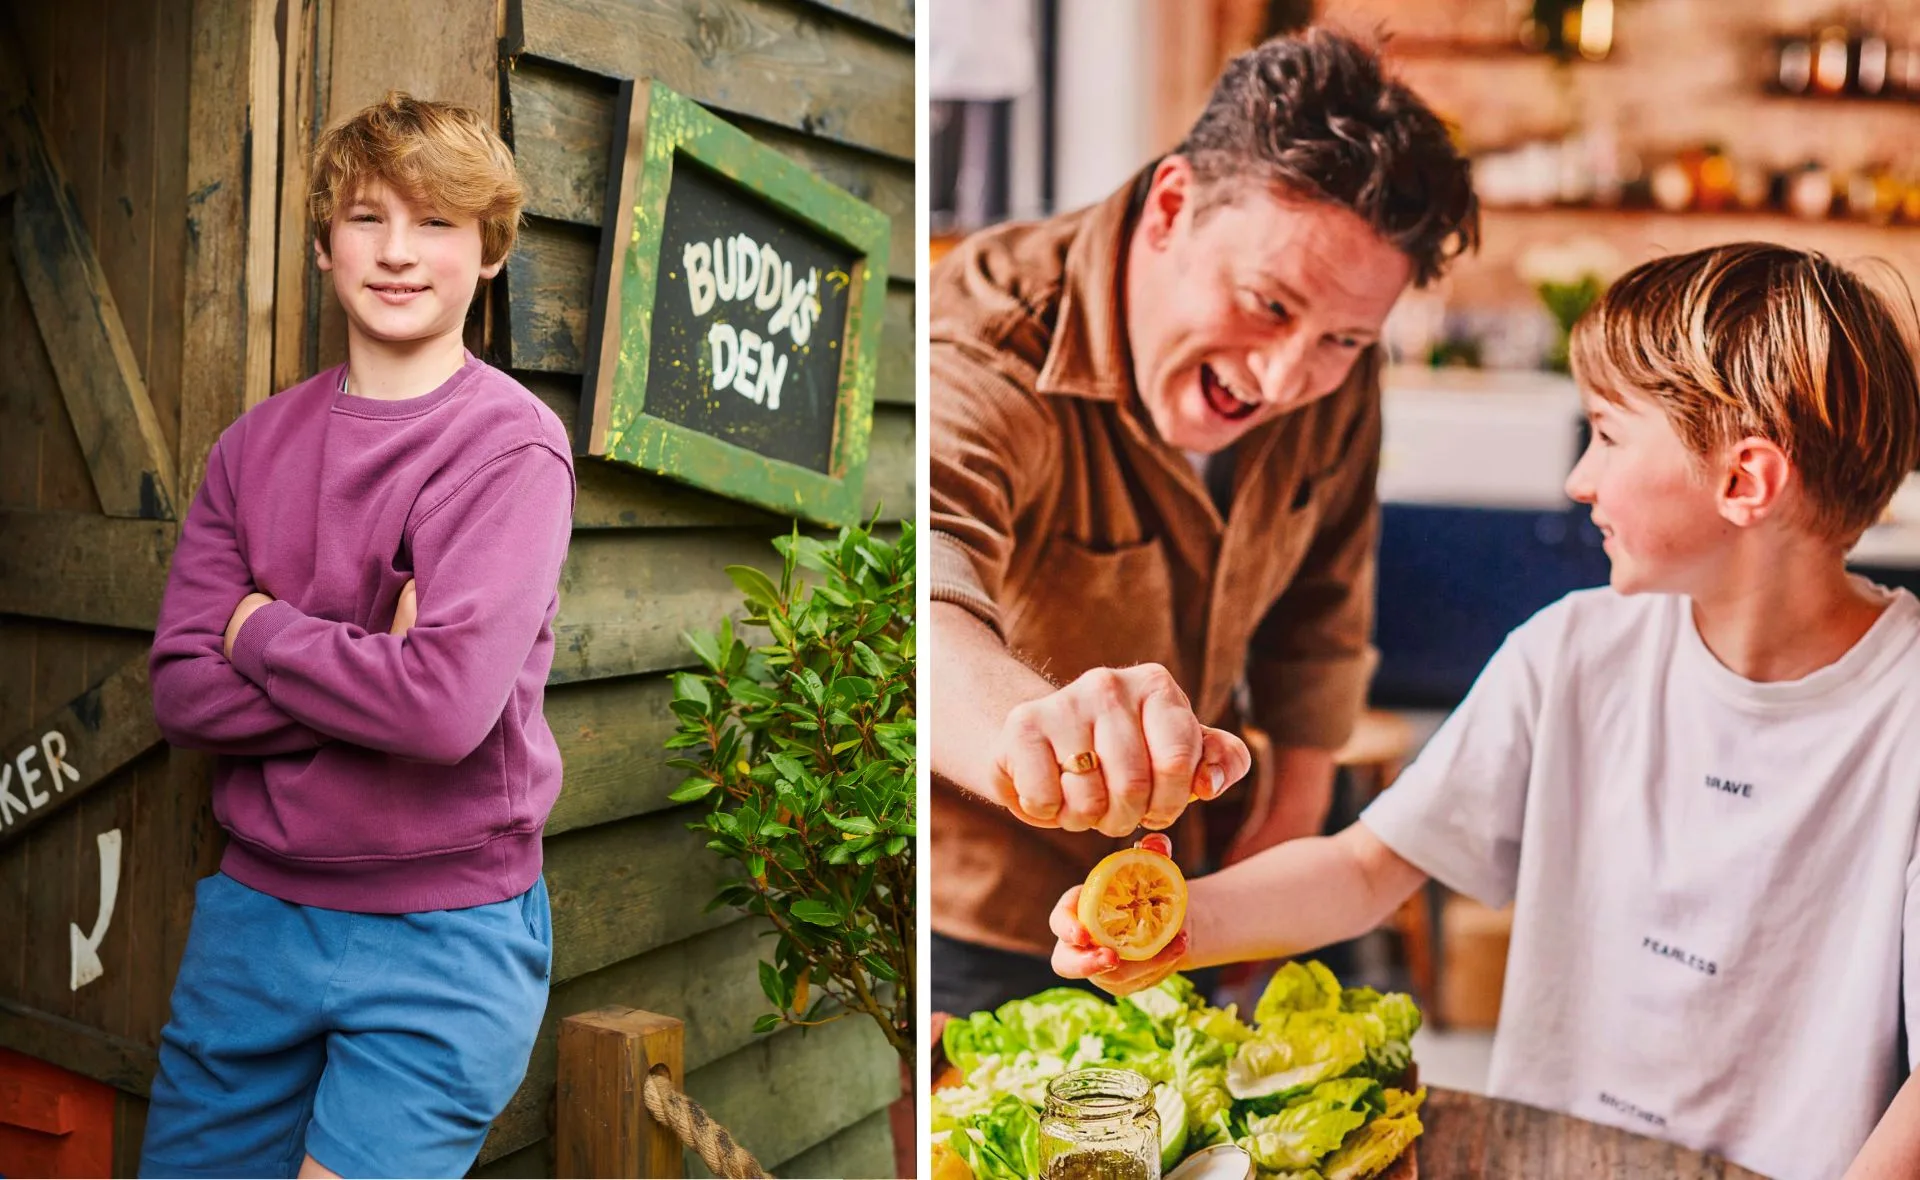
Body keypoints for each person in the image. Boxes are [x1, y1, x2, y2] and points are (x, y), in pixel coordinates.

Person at [1049, 243, 1920, 1180]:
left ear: (1743, 482)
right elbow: (1364, 869)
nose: (1579, 481)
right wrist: (1184, 927)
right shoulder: (1571, 653)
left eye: (1608, 435)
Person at [928, 26, 1478, 1015]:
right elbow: (922, 574)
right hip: (1000, 917)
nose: (1286, 379)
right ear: (1174, 207)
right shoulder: (986, 335)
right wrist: (1040, 740)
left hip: (1233, 868)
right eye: (1266, 304)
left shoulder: (1333, 361)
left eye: (1345, 340)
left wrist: (1294, 810)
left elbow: (1325, 603)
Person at [139, 92, 574, 1179]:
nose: (396, 253)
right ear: (325, 244)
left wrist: (259, 626)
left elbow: (440, 711)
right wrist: (369, 652)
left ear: (488, 254)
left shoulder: (511, 449)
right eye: (367, 217)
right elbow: (183, 693)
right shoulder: (250, 449)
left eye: (435, 223)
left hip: (447, 931)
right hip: (256, 918)